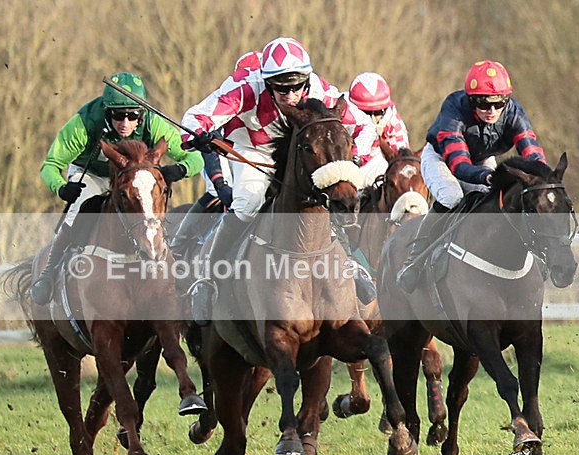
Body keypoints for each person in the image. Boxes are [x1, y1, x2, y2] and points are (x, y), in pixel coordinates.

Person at [181, 37, 377, 323]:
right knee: (247, 202)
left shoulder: (322, 91)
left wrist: (349, 162)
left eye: (297, 86)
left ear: (307, 79)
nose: (290, 94)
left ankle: (350, 265)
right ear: (266, 81)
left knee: (327, 195)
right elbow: (195, 117)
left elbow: (364, 127)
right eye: (281, 88)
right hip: (254, 150)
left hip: (302, 153)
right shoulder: (245, 87)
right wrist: (199, 134)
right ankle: (208, 279)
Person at [30, 71, 204, 305]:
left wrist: (180, 169)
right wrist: (61, 187)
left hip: (132, 179)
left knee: (150, 214)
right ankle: (49, 273)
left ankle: (170, 275)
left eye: (132, 116)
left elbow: (195, 158)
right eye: (118, 115)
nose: (125, 123)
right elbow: (51, 165)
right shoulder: (85, 122)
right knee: (76, 213)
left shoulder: (154, 123)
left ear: (141, 115)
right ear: (106, 111)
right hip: (92, 175)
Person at [396, 60, 547, 293]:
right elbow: (458, 165)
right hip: (441, 158)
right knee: (453, 195)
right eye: (483, 103)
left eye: (499, 104)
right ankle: (414, 260)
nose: (492, 111)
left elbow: (532, 150)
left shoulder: (514, 112)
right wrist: (487, 176)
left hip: (481, 158)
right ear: (471, 100)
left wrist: (544, 178)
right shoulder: (454, 109)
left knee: (496, 199)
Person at [169, 51, 262, 256]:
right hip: (220, 162)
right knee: (218, 192)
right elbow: (210, 151)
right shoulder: (232, 101)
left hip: (252, 161)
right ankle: (178, 244)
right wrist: (220, 184)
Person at [348, 72, 411, 179]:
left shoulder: (393, 123)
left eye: (378, 112)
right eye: (365, 112)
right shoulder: (340, 112)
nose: (372, 119)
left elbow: (403, 163)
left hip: (373, 167)